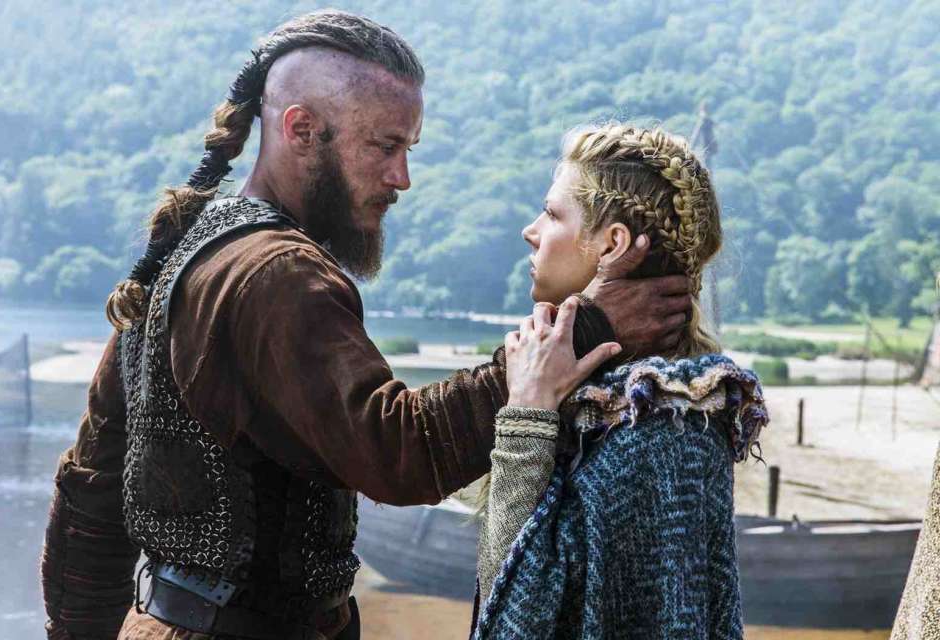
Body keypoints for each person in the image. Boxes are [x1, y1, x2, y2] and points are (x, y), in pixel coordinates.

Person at [38, 12, 693, 640]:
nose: (401, 177)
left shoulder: (183, 250)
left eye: (407, 149)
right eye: (384, 147)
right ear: (301, 129)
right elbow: (398, 450)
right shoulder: (277, 274)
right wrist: (585, 329)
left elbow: (90, 491)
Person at [472, 124, 770, 639]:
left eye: (552, 214)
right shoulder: (610, 404)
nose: (531, 230)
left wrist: (526, 416)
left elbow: (517, 618)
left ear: (612, 244)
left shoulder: (663, 430)